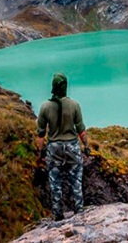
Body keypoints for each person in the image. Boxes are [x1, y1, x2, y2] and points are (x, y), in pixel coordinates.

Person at [36, 72, 90, 221]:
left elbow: (41, 134)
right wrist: (86, 146)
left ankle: (57, 215)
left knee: (55, 183)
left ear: (53, 86)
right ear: (65, 86)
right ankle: (79, 212)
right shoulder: (74, 105)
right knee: (76, 182)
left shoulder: (45, 106)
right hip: (72, 147)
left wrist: (40, 152)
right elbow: (81, 131)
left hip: (53, 149)